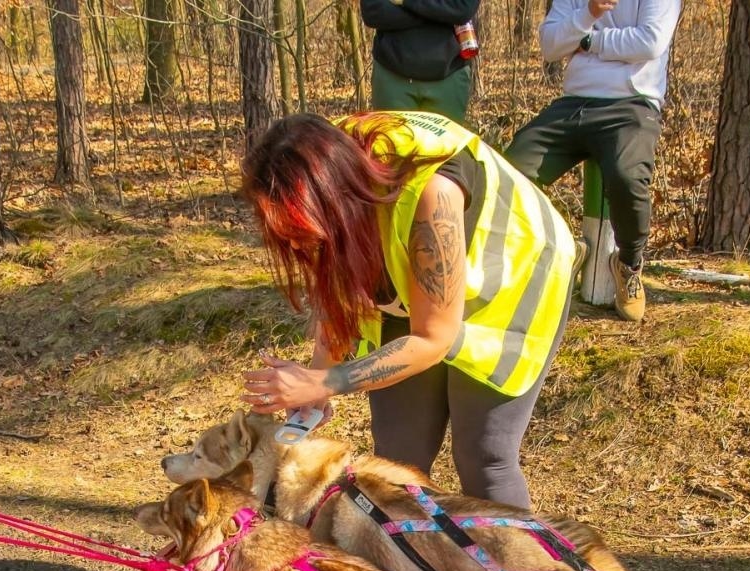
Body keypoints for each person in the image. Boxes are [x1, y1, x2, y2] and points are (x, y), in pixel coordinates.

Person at [239, 111, 576, 510]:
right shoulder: (325, 166)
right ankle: (418, 567)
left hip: (513, 275)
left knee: (484, 455)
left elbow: (434, 338)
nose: (296, 249)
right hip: (412, 269)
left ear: (335, 199)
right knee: (397, 455)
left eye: (301, 234)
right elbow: (336, 285)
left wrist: (326, 382)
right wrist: (317, 376)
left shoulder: (432, 195)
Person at [504, 0, 680, 323]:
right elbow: (550, 44)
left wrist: (588, 40)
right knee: (511, 168)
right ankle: (556, 251)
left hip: (632, 105)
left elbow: (650, 41)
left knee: (627, 179)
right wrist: (590, 14)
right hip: (574, 103)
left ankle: (628, 264)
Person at [359, 0, 479, 123]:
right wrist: (439, 13)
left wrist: (405, 2)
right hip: (392, 75)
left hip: (449, 76)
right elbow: (373, 11)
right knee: (392, 142)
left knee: (443, 142)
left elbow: (463, 9)